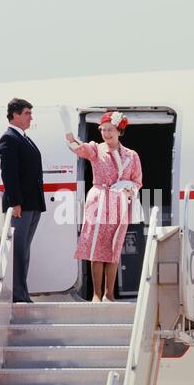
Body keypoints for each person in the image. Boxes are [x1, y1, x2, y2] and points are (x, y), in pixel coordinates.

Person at [62, 110, 142, 302]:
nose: (106, 134)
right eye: (103, 130)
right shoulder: (96, 149)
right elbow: (78, 148)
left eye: (110, 130)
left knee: (114, 249)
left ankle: (110, 293)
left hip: (119, 203)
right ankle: (97, 294)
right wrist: (68, 132)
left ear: (119, 131)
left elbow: (138, 182)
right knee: (96, 248)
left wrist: (128, 186)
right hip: (99, 201)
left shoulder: (132, 155)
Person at [0, 98, 46, 303]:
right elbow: (8, 174)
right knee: (19, 250)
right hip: (21, 206)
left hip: (33, 204)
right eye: (27, 113)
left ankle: (23, 293)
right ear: (15, 115)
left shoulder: (24, 138)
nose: (31, 117)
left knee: (25, 250)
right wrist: (15, 202)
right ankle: (18, 295)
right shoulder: (8, 138)